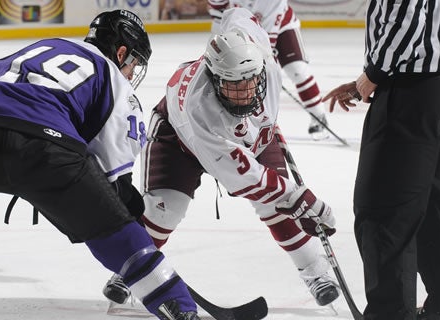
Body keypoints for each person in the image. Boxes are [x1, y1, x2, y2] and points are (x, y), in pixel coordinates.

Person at [0, 10, 201, 320]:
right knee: (127, 242)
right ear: (121, 52)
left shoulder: (33, 49)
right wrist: (128, 215)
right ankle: (183, 312)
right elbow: (115, 176)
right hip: (44, 152)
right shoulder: (111, 75)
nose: (132, 70)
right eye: (134, 62)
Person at [103, 7, 340, 309]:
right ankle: (130, 269)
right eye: (233, 85)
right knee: (165, 209)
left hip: (246, 134)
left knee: (277, 208)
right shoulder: (200, 108)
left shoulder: (262, 58)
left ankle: (315, 271)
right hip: (178, 137)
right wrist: (298, 196)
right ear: (215, 78)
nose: (243, 93)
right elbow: (246, 177)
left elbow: (238, 13)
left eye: (248, 82)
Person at [322, 0, 440, 319]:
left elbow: (406, 14)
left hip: (410, 92)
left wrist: (372, 74)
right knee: (436, 211)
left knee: (383, 213)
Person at [208, 0, 330, 140]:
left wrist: (263, 60)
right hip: (240, 29)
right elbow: (218, 13)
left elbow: (268, 41)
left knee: (296, 69)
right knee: (234, 78)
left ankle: (319, 116)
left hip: (281, 26)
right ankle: (244, 121)